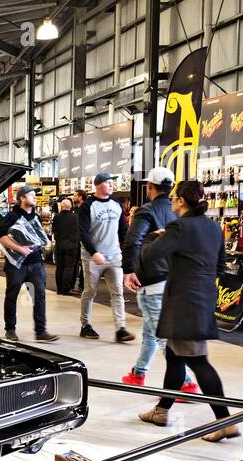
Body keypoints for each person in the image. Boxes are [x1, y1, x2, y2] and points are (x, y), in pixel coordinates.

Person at [137, 180, 238, 441]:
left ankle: (225, 420)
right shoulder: (214, 227)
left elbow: (150, 256)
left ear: (181, 200)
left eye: (173, 198)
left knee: (198, 361)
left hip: (184, 303)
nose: (170, 201)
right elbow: (220, 266)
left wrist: (153, 236)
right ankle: (161, 411)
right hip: (202, 298)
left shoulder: (179, 227)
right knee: (174, 356)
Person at [122, 167, 198, 393]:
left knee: (164, 337)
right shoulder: (179, 211)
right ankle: (138, 373)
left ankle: (186, 384)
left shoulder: (147, 211)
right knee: (150, 331)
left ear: (150, 187)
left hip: (154, 282)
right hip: (174, 280)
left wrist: (128, 269)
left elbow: (132, 241)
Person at [0, 184, 59, 343]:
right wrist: (19, 248)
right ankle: (10, 330)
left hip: (36, 263)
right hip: (17, 265)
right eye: (31, 195)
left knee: (39, 296)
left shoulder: (35, 216)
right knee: (12, 296)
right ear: (22, 198)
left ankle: (41, 331)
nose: (35, 197)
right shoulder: (12, 216)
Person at [78, 172, 134, 342]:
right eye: (108, 183)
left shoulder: (116, 204)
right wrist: (94, 252)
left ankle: (121, 328)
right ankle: (85, 325)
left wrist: (127, 253)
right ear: (98, 185)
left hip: (114, 256)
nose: (111, 185)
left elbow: (123, 231)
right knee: (90, 291)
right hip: (92, 257)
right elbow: (83, 232)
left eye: (112, 183)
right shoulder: (88, 206)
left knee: (117, 292)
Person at [51, 197, 80, 295]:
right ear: (71, 206)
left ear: (61, 206)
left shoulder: (56, 217)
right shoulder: (75, 217)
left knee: (59, 267)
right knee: (69, 267)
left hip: (59, 245)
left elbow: (54, 231)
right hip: (72, 245)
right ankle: (66, 288)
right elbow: (78, 232)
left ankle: (59, 289)